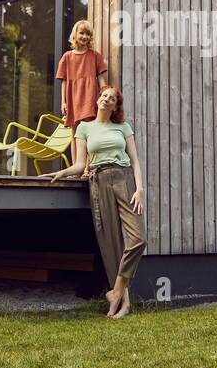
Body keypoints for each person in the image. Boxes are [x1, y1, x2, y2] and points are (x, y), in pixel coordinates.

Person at [43, 85, 144, 318]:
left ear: (116, 106)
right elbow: (80, 165)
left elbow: (135, 160)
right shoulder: (84, 128)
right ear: (98, 100)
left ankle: (116, 291)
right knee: (111, 244)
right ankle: (123, 304)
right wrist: (61, 173)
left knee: (138, 239)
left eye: (112, 98)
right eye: (104, 96)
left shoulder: (123, 127)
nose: (106, 99)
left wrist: (140, 189)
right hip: (98, 181)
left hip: (123, 179)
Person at [55, 19, 108, 130]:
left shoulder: (95, 56)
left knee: (89, 131)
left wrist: (104, 96)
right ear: (75, 34)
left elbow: (101, 79)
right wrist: (63, 102)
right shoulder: (67, 57)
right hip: (73, 100)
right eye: (82, 33)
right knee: (75, 133)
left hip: (90, 98)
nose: (85, 36)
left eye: (88, 34)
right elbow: (64, 81)